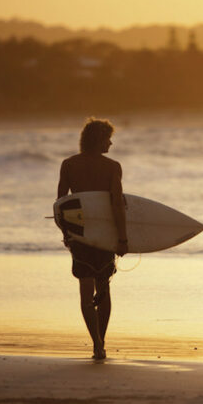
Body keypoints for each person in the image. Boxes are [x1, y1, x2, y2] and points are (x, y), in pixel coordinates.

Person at [57, 118, 128, 360]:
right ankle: (101, 341)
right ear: (98, 140)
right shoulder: (112, 167)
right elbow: (117, 204)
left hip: (80, 234)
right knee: (104, 287)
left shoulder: (68, 164)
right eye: (108, 137)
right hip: (105, 234)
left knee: (86, 290)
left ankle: (96, 342)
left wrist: (66, 234)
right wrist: (123, 238)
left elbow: (60, 205)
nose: (111, 142)